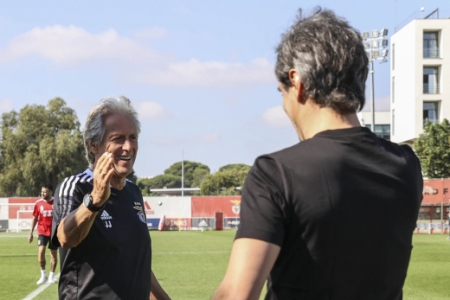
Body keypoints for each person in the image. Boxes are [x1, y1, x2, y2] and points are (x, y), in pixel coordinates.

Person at [212, 7, 423, 300]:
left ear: (297, 83)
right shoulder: (407, 166)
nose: (285, 106)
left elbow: (237, 294)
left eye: (281, 92)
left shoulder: (276, 173)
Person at [51, 97, 170, 300]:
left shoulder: (133, 192)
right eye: (118, 139)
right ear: (94, 146)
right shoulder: (76, 186)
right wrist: (94, 200)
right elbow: (64, 238)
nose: (128, 147)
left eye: (133, 137)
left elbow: (137, 267)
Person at [29, 184, 58, 284]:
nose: (42, 193)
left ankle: (51, 276)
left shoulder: (57, 202)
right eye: (42, 192)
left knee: (53, 254)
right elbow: (35, 218)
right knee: (41, 251)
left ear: (51, 192)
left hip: (54, 232)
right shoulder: (38, 203)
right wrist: (31, 232)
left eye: (45, 192)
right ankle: (43, 275)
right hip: (42, 231)